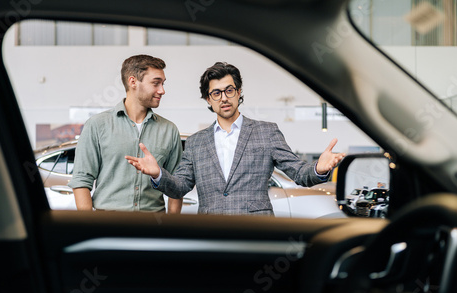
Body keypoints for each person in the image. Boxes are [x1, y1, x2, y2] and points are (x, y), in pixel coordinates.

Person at [125, 62, 345, 215]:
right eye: (216, 93)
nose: (224, 98)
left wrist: (319, 168)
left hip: (256, 230)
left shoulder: (266, 132)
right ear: (208, 99)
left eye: (229, 90)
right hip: (212, 232)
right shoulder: (196, 142)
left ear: (239, 92)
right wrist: (158, 174)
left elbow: (299, 173)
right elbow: (180, 187)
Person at [69, 55, 183, 212]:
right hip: (109, 228)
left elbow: (177, 186)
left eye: (162, 84)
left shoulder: (169, 130)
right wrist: (90, 227)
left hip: (154, 229)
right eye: (156, 83)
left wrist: (172, 229)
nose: (162, 90)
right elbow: (81, 181)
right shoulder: (97, 125)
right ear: (133, 82)